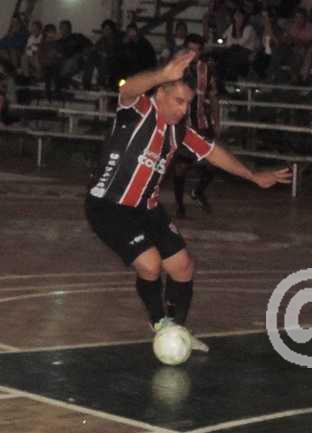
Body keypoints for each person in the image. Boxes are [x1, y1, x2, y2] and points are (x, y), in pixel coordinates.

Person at [85, 50, 292, 350]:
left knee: (183, 266)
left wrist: (252, 175)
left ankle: (177, 330)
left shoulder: (179, 131)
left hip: (147, 208)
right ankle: (160, 323)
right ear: (160, 93)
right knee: (150, 265)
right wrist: (162, 73)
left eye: (188, 104)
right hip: (109, 206)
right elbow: (127, 88)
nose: (183, 110)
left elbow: (213, 152)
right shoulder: (139, 110)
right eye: (178, 101)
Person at [172, 35, 219, 218]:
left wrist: (216, 122)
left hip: (202, 123)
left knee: (213, 163)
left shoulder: (207, 70)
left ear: (201, 51)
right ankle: (180, 207)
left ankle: (198, 191)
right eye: (190, 49)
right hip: (182, 125)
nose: (193, 53)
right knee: (180, 167)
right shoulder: (176, 69)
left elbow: (213, 97)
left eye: (196, 50)